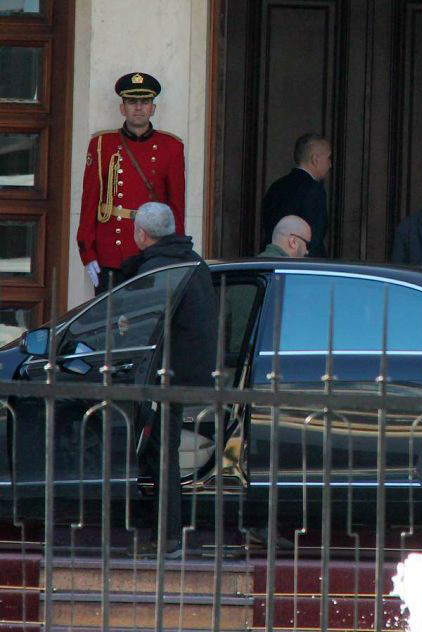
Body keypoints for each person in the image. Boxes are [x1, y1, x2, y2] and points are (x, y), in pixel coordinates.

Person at [122, 202, 216, 558]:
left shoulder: (158, 271)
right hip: (188, 377)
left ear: (141, 235)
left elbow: (138, 328)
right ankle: (165, 535)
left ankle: (168, 539)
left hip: (162, 379)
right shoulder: (193, 262)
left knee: (162, 457)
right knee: (164, 453)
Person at [76, 72, 185, 294]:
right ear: (122, 108)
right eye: (132, 102)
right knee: (108, 321)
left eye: (145, 102)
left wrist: (175, 251)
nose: (138, 108)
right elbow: (89, 202)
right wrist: (87, 252)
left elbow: (176, 206)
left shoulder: (171, 146)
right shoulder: (102, 144)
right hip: (111, 251)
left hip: (152, 251)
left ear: (153, 108)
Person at [261, 134, 331, 257]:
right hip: (301, 266)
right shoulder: (314, 189)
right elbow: (315, 239)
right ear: (315, 159)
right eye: (329, 158)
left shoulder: (276, 186)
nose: (330, 164)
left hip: (272, 262)